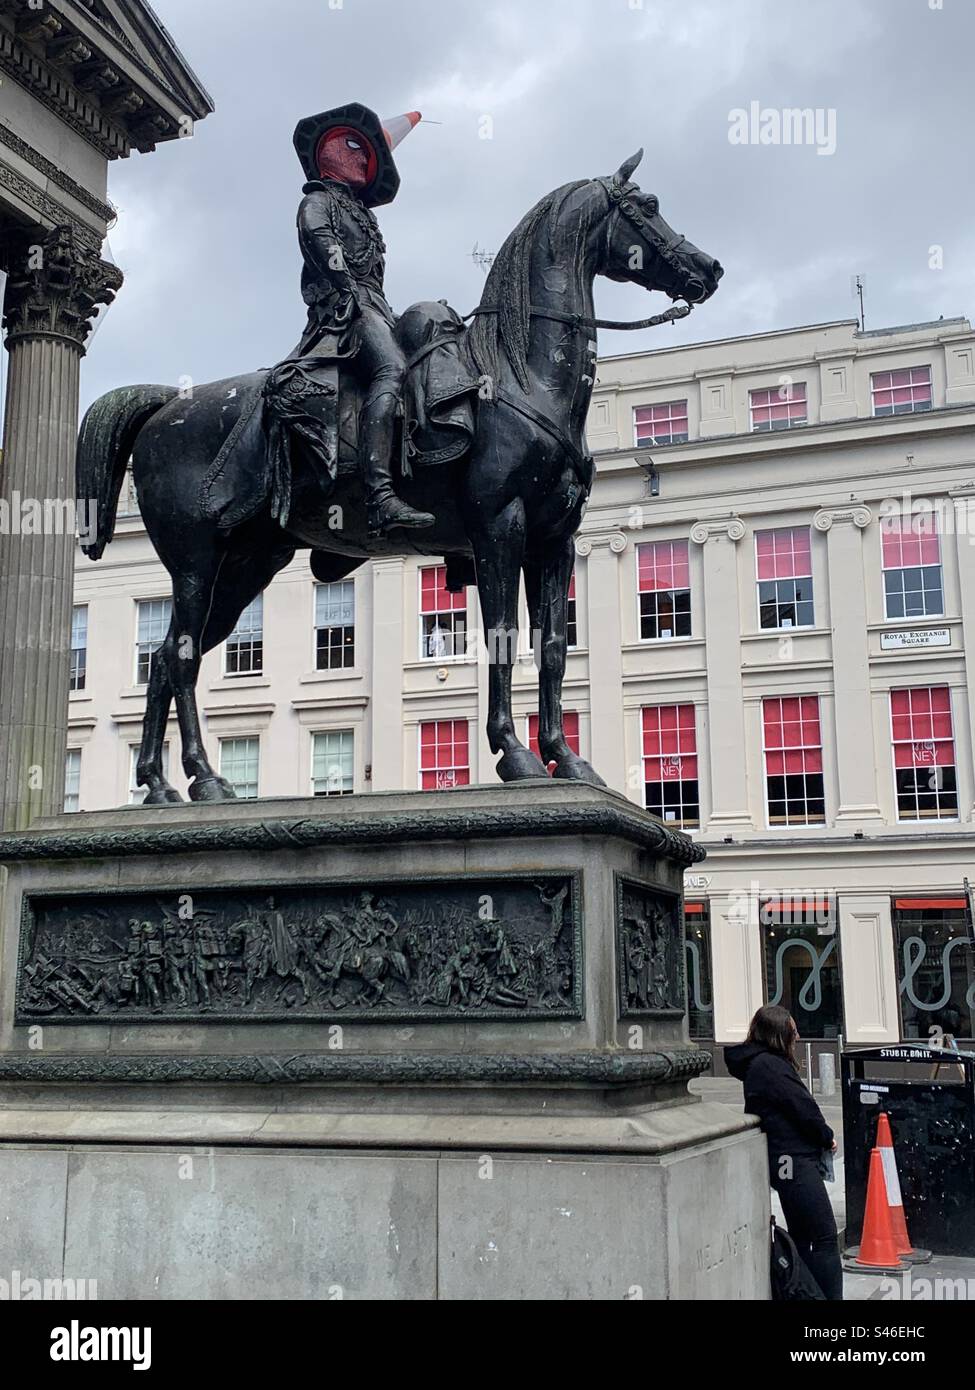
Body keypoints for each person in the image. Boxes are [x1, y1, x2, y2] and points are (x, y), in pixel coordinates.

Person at [273, 102, 435, 537]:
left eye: (370, 153)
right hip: (342, 311)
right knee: (392, 367)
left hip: (374, 307)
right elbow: (320, 239)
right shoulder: (318, 200)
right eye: (357, 148)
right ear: (330, 149)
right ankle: (379, 496)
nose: (366, 158)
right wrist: (345, 283)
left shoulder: (361, 214)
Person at [725, 1004, 843, 1300]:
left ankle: (809, 1294)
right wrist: (826, 1136)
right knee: (823, 1238)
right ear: (780, 1034)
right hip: (792, 1160)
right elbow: (803, 1108)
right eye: (793, 1030)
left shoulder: (762, 1065)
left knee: (807, 1238)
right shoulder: (770, 1067)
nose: (798, 1035)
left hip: (785, 1158)